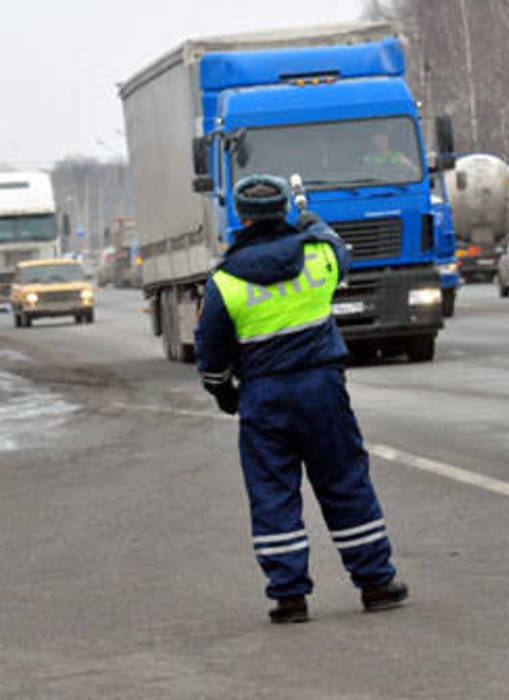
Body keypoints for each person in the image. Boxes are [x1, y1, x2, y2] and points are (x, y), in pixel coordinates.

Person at [195, 174, 408, 624]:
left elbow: (211, 357)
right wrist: (316, 224)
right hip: (322, 389)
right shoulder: (318, 258)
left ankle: (289, 596)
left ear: (242, 216)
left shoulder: (226, 282)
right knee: (345, 482)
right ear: (284, 211)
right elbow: (342, 255)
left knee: (273, 492)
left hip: (263, 397)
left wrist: (224, 394)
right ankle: (375, 583)